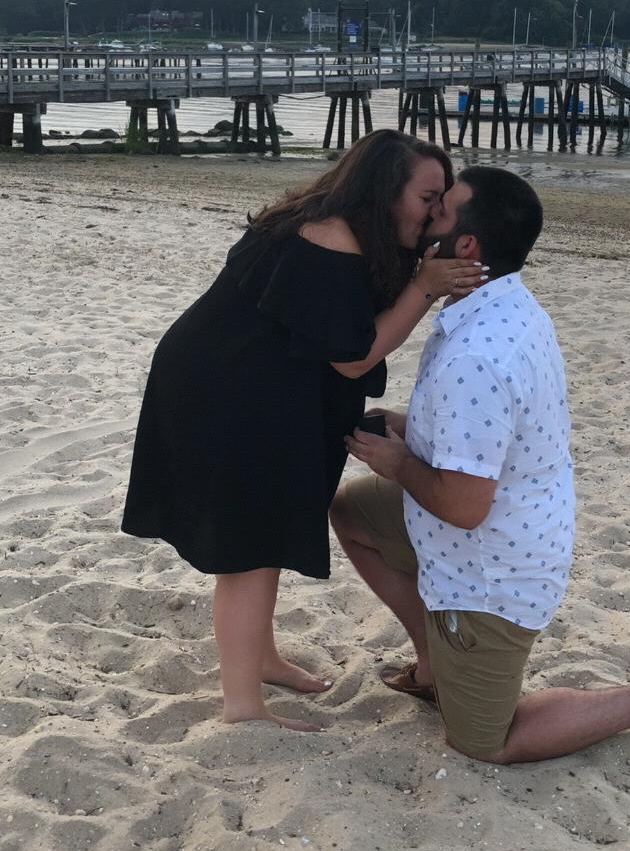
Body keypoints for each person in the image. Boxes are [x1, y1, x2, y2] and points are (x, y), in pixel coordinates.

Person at [335, 166, 630, 767]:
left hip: (491, 569)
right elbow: (491, 433)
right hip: (512, 516)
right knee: (353, 512)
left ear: (465, 246)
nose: (425, 215)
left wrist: (397, 461)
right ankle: (434, 663)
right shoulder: (505, 304)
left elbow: (465, 507)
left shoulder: (477, 354)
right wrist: (408, 427)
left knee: (485, 742)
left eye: (439, 211)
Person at [122, 130, 489, 732]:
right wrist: (425, 286)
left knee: (266, 533)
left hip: (260, 386)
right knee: (251, 546)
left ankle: (262, 659)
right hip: (226, 391)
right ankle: (243, 706)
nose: (433, 213)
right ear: (383, 191)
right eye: (427, 198)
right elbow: (354, 357)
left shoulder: (346, 227)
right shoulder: (329, 236)